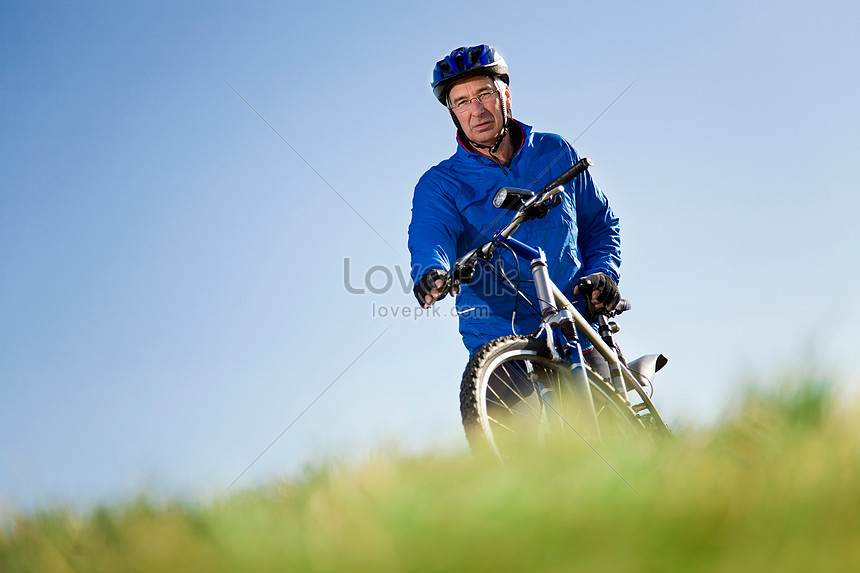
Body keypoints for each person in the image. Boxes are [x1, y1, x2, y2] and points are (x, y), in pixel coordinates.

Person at [408, 44, 621, 370]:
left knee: (607, 409)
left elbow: (599, 225)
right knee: (505, 414)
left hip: (574, 321)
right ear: (453, 113)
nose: (476, 110)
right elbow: (431, 236)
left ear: (505, 96)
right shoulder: (440, 183)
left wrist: (602, 273)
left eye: (484, 95)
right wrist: (432, 271)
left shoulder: (554, 150)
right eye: (462, 102)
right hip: (499, 337)